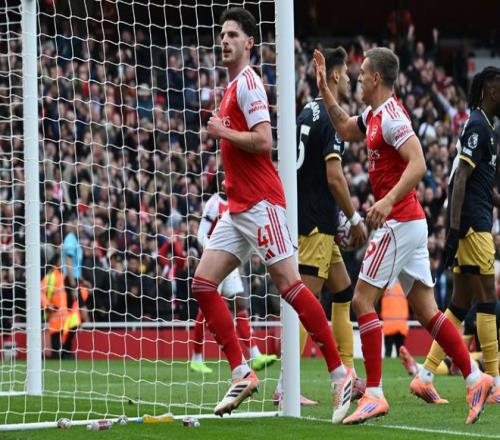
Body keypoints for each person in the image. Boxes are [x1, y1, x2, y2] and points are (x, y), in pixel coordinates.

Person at [313, 46, 492, 424]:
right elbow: (344, 126)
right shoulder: (373, 115)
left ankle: (374, 394)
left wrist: (388, 200)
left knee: (362, 300)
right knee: (427, 312)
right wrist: (324, 89)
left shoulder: (392, 117)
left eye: (362, 74)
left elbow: (419, 163)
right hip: (409, 223)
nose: (358, 79)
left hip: (399, 222)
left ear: (377, 78)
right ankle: (475, 378)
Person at [192, 8, 353, 422]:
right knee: (204, 284)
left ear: (249, 43)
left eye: (232, 35)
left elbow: (264, 141)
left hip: (262, 204)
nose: (224, 40)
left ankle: (339, 375)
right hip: (237, 207)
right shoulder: (231, 86)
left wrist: (222, 132)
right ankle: (242, 373)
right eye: (222, 34)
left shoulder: (249, 84)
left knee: (291, 286)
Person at [273, 47, 367, 406]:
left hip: (313, 219)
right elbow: (334, 176)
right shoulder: (330, 117)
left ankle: (347, 374)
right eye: (347, 75)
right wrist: (354, 217)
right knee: (306, 302)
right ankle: (285, 385)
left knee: (343, 292)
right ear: (334, 75)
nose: (350, 80)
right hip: (314, 224)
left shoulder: (306, 112)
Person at [410, 67, 500, 405]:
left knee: (460, 304)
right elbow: (459, 178)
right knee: (488, 300)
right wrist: (454, 229)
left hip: (473, 221)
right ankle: (495, 383)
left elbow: (479, 183)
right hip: (473, 224)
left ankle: (425, 375)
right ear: (490, 91)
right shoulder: (479, 126)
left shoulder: (485, 126)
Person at [190, 176, 277, 374]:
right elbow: (201, 234)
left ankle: (255, 355)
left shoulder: (235, 203)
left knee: (240, 303)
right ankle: (196, 358)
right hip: (215, 261)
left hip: (231, 261)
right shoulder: (213, 203)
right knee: (206, 308)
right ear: (220, 183)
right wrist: (214, 251)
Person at [381, 283, 409, 357]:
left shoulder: (385, 288)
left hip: (388, 326)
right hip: (401, 326)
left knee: (388, 351)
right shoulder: (404, 289)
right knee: (400, 353)